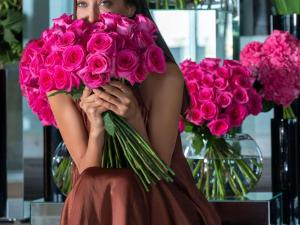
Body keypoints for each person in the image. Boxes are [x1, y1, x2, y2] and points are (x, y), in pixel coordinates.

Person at [47, 0, 221, 224]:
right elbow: (87, 176)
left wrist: (134, 118)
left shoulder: (165, 76)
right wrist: (97, 130)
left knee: (122, 184)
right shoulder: (60, 80)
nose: (91, 18)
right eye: (82, 4)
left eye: (104, 3)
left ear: (131, 8)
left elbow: (158, 173)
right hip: (96, 207)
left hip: (160, 201)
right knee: (106, 182)